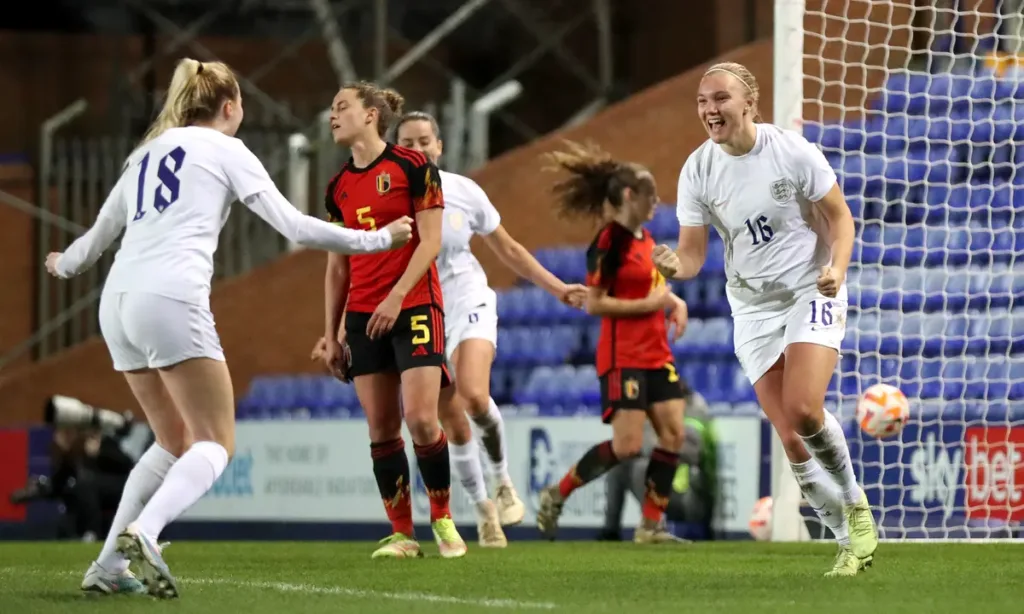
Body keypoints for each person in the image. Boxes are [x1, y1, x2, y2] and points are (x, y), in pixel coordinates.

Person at [45, 58, 412, 599]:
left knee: (172, 440)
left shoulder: (144, 153)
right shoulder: (225, 149)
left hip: (117, 303)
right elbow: (293, 226)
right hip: (169, 296)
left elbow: (94, 240)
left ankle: (105, 565)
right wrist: (378, 239)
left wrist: (61, 265)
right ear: (230, 107)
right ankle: (144, 534)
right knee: (216, 441)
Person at [652, 61, 878, 577]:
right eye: (703, 101)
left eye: (721, 98)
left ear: (750, 102)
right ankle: (848, 544)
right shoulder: (698, 169)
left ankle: (855, 503)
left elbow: (841, 218)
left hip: (808, 289)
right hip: (751, 306)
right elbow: (691, 256)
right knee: (791, 439)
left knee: (802, 408)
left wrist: (836, 269)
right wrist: (674, 267)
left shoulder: (791, 151)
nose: (710, 109)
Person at [394, 112, 588, 547]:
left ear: (439, 146)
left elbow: (510, 248)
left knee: (474, 395)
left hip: (467, 297)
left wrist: (557, 289)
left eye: (425, 141)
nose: (418, 149)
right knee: (451, 420)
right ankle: (483, 511)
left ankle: (503, 482)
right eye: (408, 142)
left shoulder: (463, 191)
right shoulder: (390, 201)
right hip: (422, 310)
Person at [312, 83, 466, 559]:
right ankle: (403, 534)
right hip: (363, 315)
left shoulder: (413, 166)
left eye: (342, 107)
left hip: (415, 304)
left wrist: (397, 297)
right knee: (381, 428)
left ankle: (442, 519)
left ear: (372, 114)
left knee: (421, 418)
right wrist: (331, 333)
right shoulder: (337, 187)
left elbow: (430, 240)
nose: (333, 115)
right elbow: (338, 264)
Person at [534, 141, 690, 544]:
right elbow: (596, 304)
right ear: (628, 196)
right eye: (650, 194)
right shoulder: (609, 242)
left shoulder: (644, 238)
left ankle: (651, 527)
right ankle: (556, 493)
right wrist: (651, 303)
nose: (657, 201)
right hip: (624, 357)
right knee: (627, 446)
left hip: (657, 351)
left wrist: (672, 301)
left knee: (674, 434)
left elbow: (650, 286)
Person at [599, 389, 717, 542]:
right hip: (663, 491)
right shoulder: (655, 409)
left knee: (643, 467)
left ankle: (652, 525)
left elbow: (692, 453)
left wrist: (658, 447)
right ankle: (610, 531)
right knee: (620, 462)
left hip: (687, 495)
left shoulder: (694, 410)